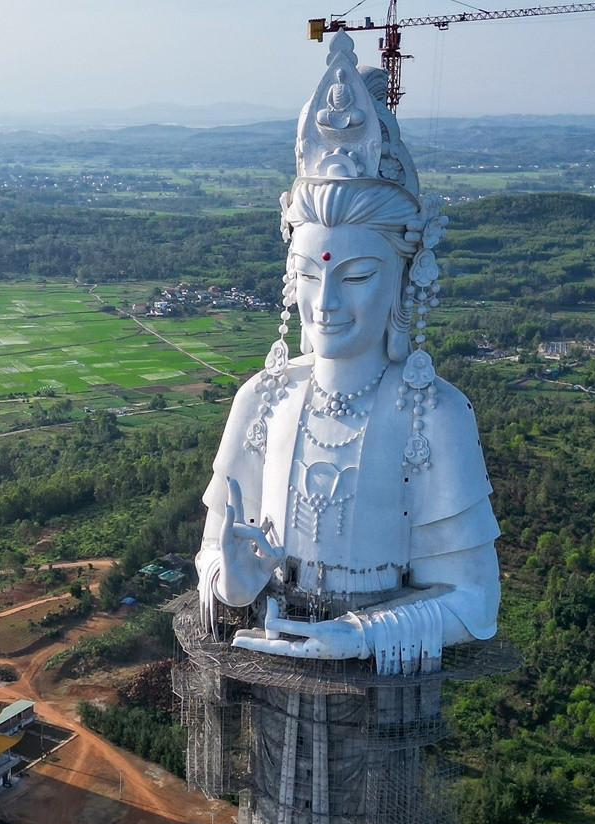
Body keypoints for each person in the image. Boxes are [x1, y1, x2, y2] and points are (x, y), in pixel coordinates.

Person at [195, 31, 499, 674]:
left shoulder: (431, 416)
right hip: (272, 666)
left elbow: (475, 601)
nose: (325, 301)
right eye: (308, 275)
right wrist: (233, 583)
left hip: (374, 691)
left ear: (403, 277)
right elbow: (213, 550)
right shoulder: (263, 398)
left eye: (356, 275)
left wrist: (358, 636)